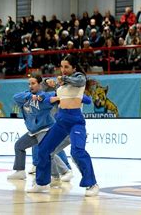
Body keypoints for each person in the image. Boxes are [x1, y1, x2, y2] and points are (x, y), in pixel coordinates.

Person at [27, 55, 99, 197]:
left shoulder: (79, 78)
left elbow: (79, 82)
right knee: (43, 149)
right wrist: (46, 92)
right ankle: (42, 183)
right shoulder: (62, 84)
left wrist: (62, 79)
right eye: (61, 67)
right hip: (61, 121)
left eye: (66, 67)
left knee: (77, 152)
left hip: (75, 121)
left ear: (74, 68)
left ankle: (92, 184)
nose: (63, 70)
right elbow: (54, 95)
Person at [7, 75, 69, 182]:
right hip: (33, 131)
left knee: (46, 151)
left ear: (39, 84)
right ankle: (20, 171)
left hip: (45, 129)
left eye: (33, 83)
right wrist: (30, 96)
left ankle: (61, 173)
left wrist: (58, 93)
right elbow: (15, 97)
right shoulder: (25, 96)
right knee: (19, 146)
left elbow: (52, 97)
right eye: (29, 84)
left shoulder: (43, 96)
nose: (30, 86)